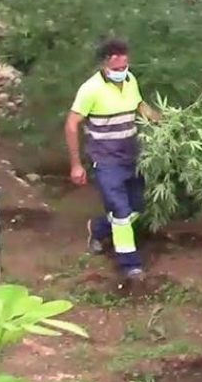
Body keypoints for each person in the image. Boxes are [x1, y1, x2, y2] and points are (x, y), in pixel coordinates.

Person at [64, 37, 160, 279]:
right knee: (120, 211)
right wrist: (76, 165)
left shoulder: (130, 81)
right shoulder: (90, 89)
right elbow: (71, 124)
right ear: (104, 64)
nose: (121, 72)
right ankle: (130, 265)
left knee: (136, 208)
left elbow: (140, 106)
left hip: (132, 155)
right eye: (116, 69)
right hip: (106, 161)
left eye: (124, 67)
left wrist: (164, 121)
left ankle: (97, 228)